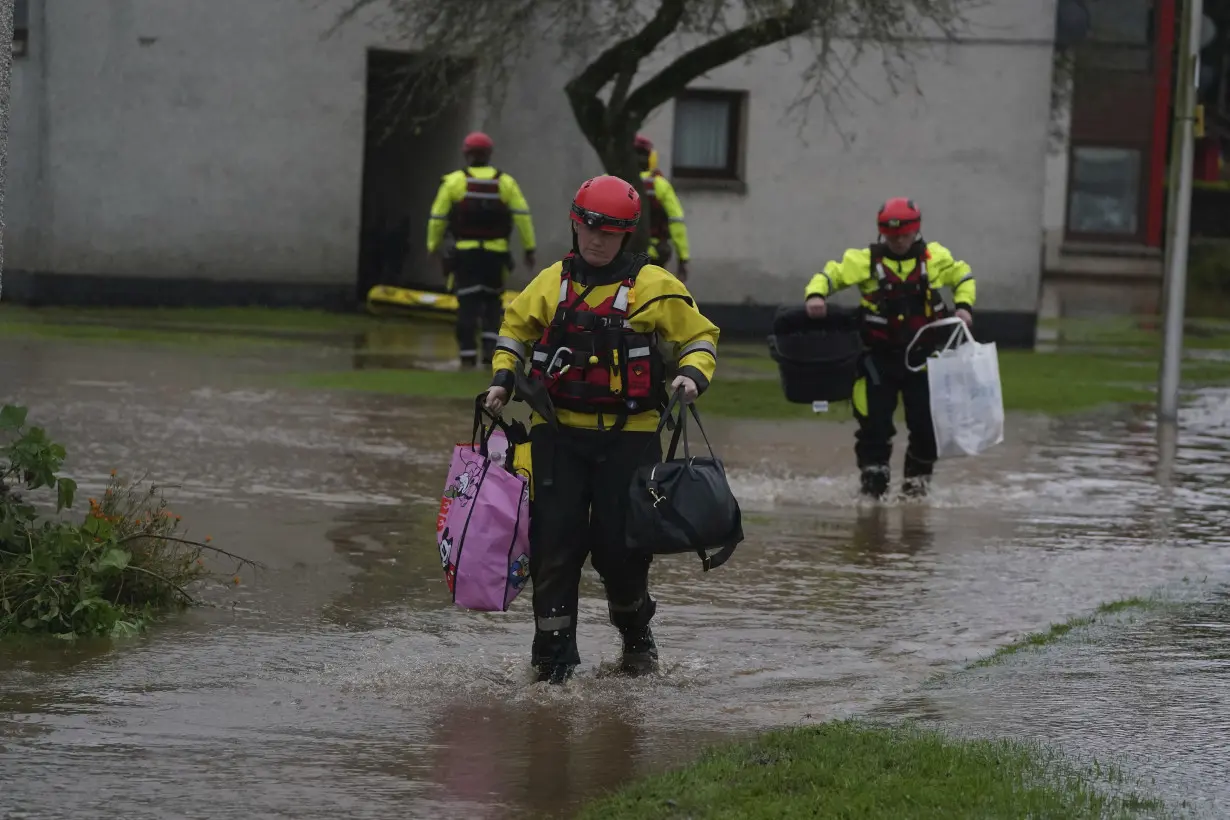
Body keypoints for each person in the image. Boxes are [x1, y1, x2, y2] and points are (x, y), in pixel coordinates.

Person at [483, 175, 720, 684]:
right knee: (555, 543)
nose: (596, 238)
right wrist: (503, 376)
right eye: (589, 227)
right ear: (575, 223)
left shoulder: (654, 287)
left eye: (609, 232)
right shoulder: (551, 281)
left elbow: (699, 336)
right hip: (557, 435)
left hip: (629, 439)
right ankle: (551, 662)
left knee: (621, 548)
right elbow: (515, 329)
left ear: (626, 234)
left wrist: (691, 374)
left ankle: (636, 640)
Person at [803, 197, 976, 500]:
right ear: (883, 232)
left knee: (925, 428)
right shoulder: (864, 260)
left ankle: (915, 492)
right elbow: (831, 274)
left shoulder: (935, 258)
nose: (897, 241)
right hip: (877, 360)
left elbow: (963, 276)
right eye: (891, 235)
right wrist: (816, 295)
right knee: (874, 427)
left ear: (915, 231)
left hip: (923, 361)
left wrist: (963, 307)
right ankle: (873, 492)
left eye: (904, 235)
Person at [427, 131, 537, 368]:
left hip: (465, 255)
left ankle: (467, 356)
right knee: (491, 304)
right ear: (489, 155)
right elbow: (522, 217)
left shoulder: (454, 182)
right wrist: (529, 248)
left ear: (466, 154)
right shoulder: (506, 183)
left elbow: (437, 218)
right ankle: (489, 353)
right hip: (496, 256)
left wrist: (432, 246)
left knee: (467, 304)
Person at [634, 135, 690, 281]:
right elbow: (676, 221)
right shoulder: (660, 185)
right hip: (654, 256)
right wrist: (683, 258)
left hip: (620, 255)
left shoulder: (610, 180)